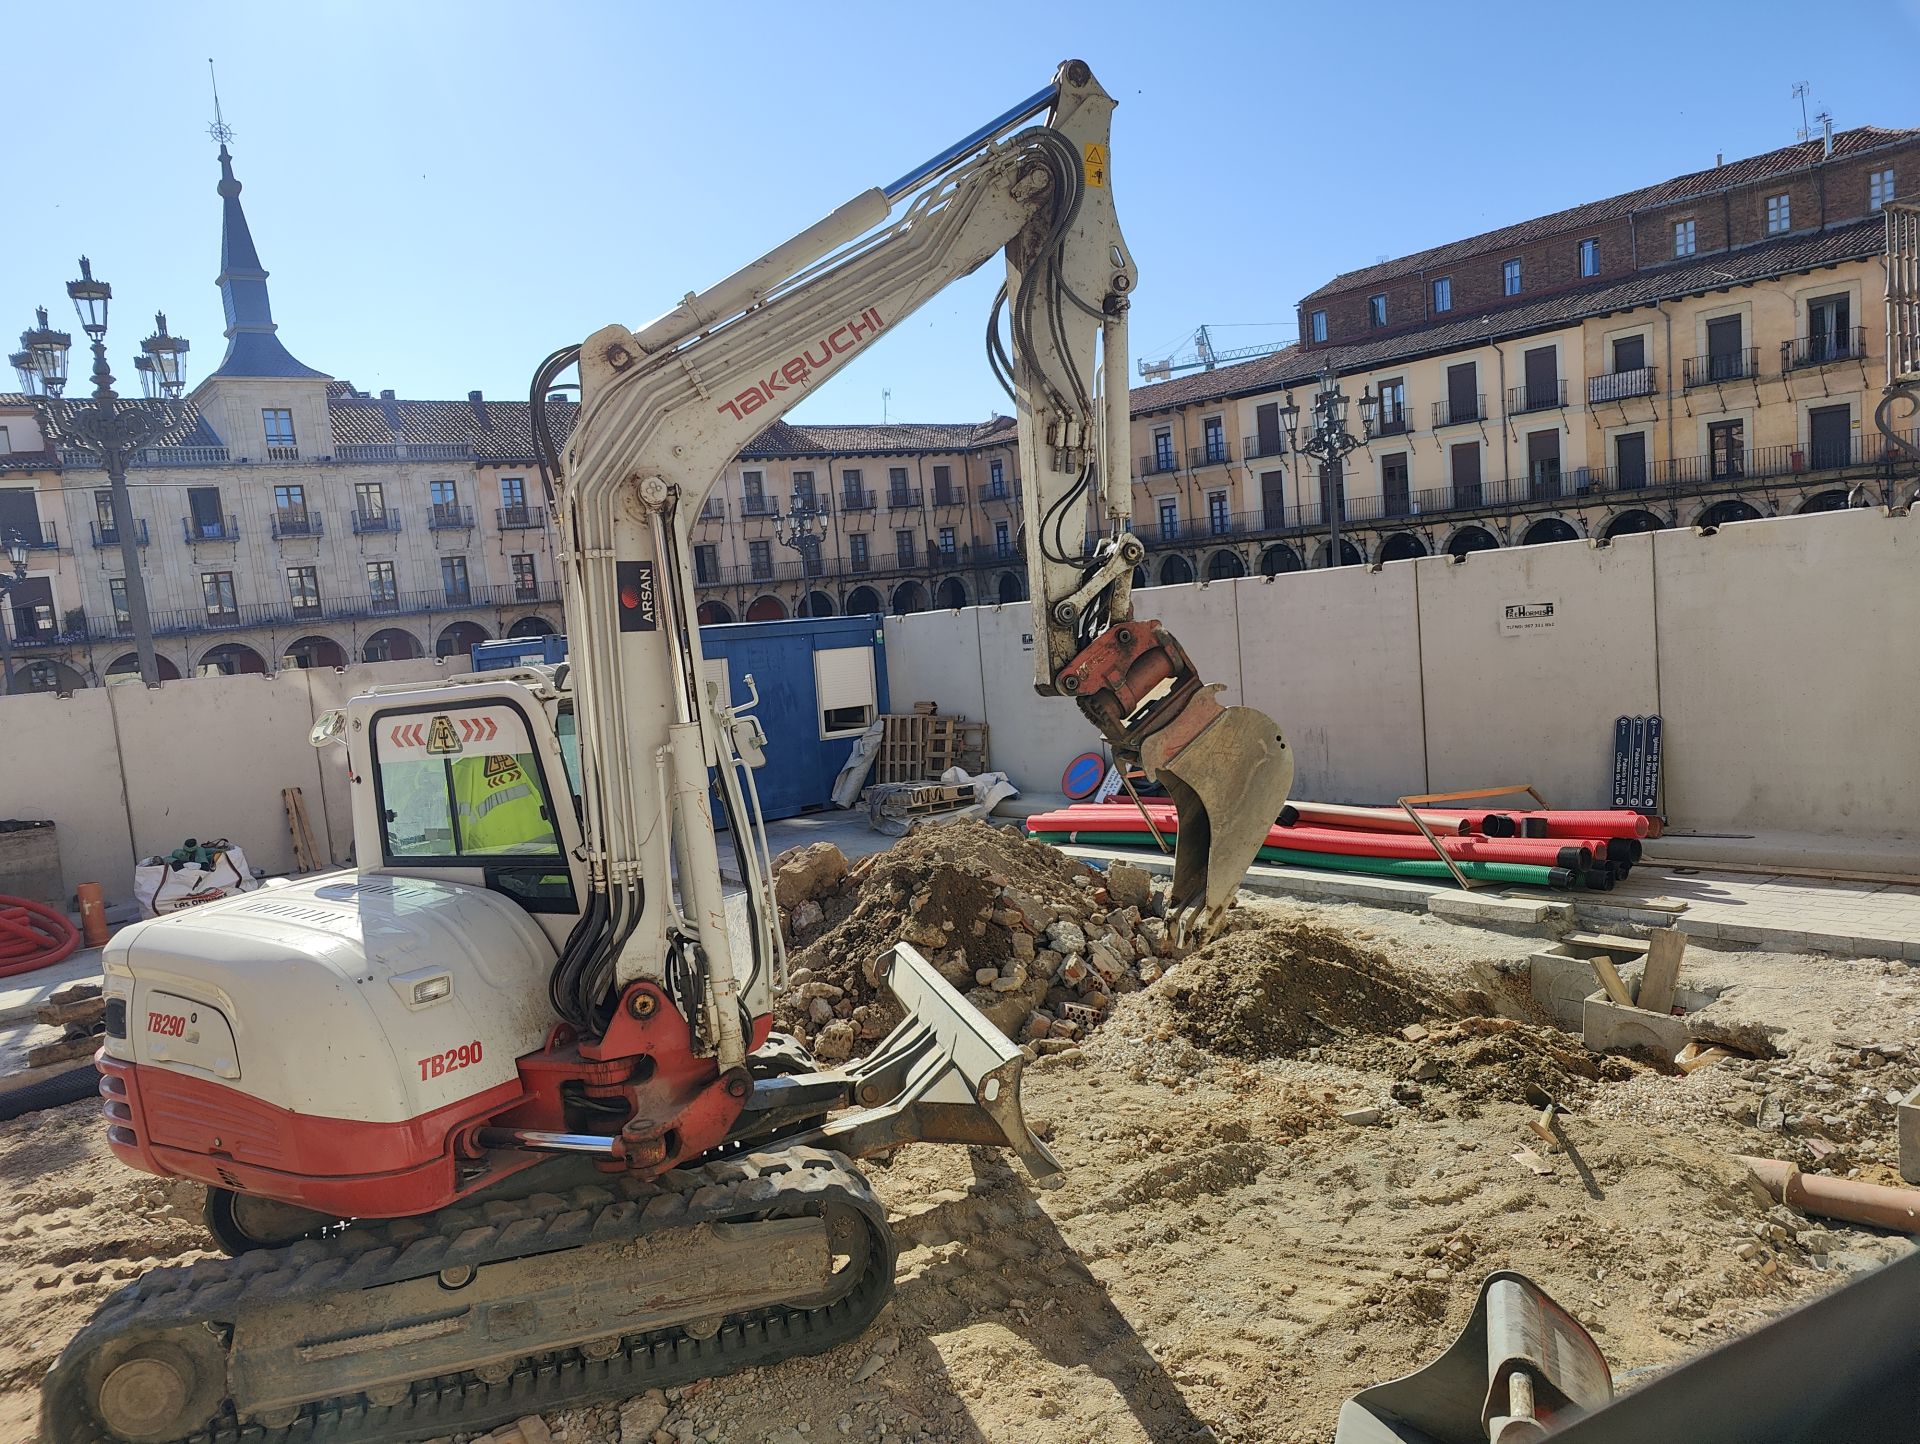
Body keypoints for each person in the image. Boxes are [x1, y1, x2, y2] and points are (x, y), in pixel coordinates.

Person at [450, 752, 556, 854]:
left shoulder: (462, 769)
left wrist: (455, 866)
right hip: (541, 849)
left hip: (494, 860)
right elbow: (536, 798)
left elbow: (459, 827)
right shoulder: (508, 760)